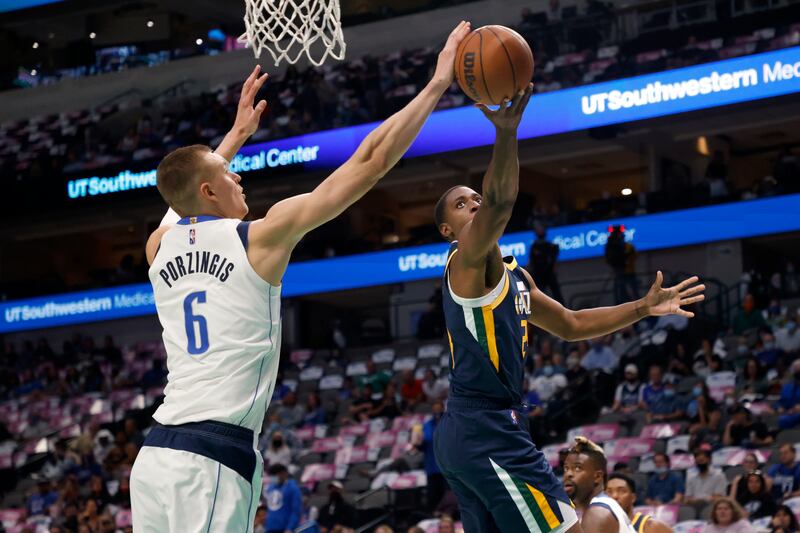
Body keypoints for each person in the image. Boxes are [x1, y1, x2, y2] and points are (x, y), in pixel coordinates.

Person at [130, 20, 474, 532]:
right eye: (228, 174)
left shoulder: (157, 246)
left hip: (155, 457)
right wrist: (437, 83)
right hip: (211, 455)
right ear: (208, 191)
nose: (237, 174)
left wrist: (234, 138)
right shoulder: (259, 238)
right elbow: (371, 160)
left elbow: (182, 194)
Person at [432, 83, 704, 530]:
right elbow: (500, 203)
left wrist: (643, 308)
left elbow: (572, 324)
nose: (475, 204)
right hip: (485, 426)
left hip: (474, 430)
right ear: (447, 231)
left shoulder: (517, 276)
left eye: (475, 198)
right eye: (462, 205)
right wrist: (506, 132)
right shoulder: (464, 263)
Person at [563, 437, 636, 532]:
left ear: (597, 476)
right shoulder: (604, 507)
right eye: (566, 468)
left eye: (577, 468)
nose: (568, 474)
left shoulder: (597, 513)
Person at [607, 473, 674, 533]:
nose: (614, 496)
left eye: (621, 491)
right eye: (609, 492)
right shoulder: (602, 528)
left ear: (633, 498)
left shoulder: (652, 527)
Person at [528, 222, 563, 304]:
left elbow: (554, 261)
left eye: (540, 229)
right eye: (537, 229)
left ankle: (562, 308)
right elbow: (530, 262)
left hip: (549, 274)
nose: (539, 231)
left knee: (557, 295)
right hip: (538, 275)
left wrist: (554, 270)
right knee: (538, 295)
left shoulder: (551, 246)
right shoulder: (534, 247)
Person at [605, 225, 639, 305]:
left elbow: (634, 256)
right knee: (621, 291)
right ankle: (624, 305)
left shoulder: (627, 245)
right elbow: (611, 258)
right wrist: (622, 259)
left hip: (628, 270)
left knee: (630, 290)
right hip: (620, 271)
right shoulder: (612, 245)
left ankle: (634, 305)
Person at [264, 464, 303, 533]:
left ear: (284, 474)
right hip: (270, 528)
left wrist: (290, 528)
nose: (273, 478)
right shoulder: (270, 488)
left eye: (275, 475)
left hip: (284, 529)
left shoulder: (293, 489)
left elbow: (296, 511)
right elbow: (269, 509)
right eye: (271, 476)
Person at [776, 360, 800, 430]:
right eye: (796, 371)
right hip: (788, 414)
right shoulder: (787, 387)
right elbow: (780, 402)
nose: (797, 375)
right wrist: (779, 407)